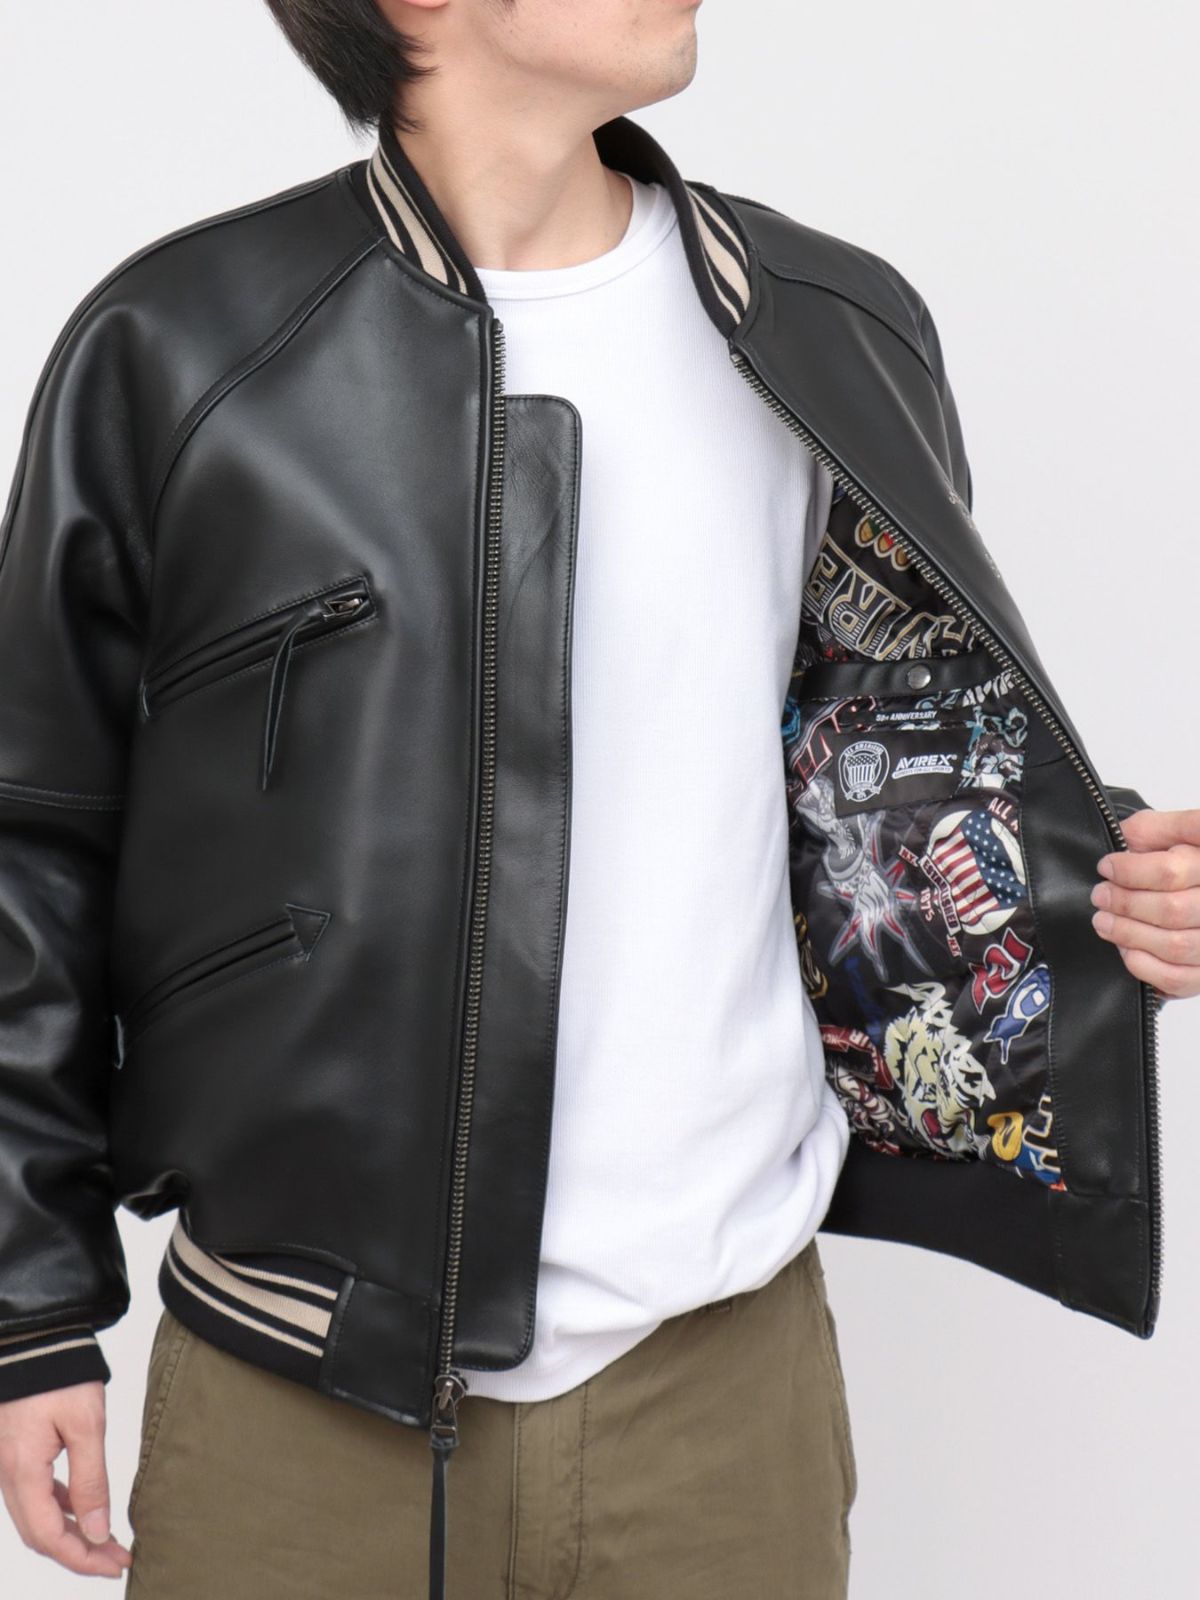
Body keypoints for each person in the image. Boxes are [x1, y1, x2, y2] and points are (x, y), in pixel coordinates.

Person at [0, 2, 1194, 1595]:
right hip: (303, 1379)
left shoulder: (836, 328)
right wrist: (28, 1310)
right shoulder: (185, 347)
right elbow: (32, 839)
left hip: (723, 1388)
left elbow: (875, 778)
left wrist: (1096, 891)